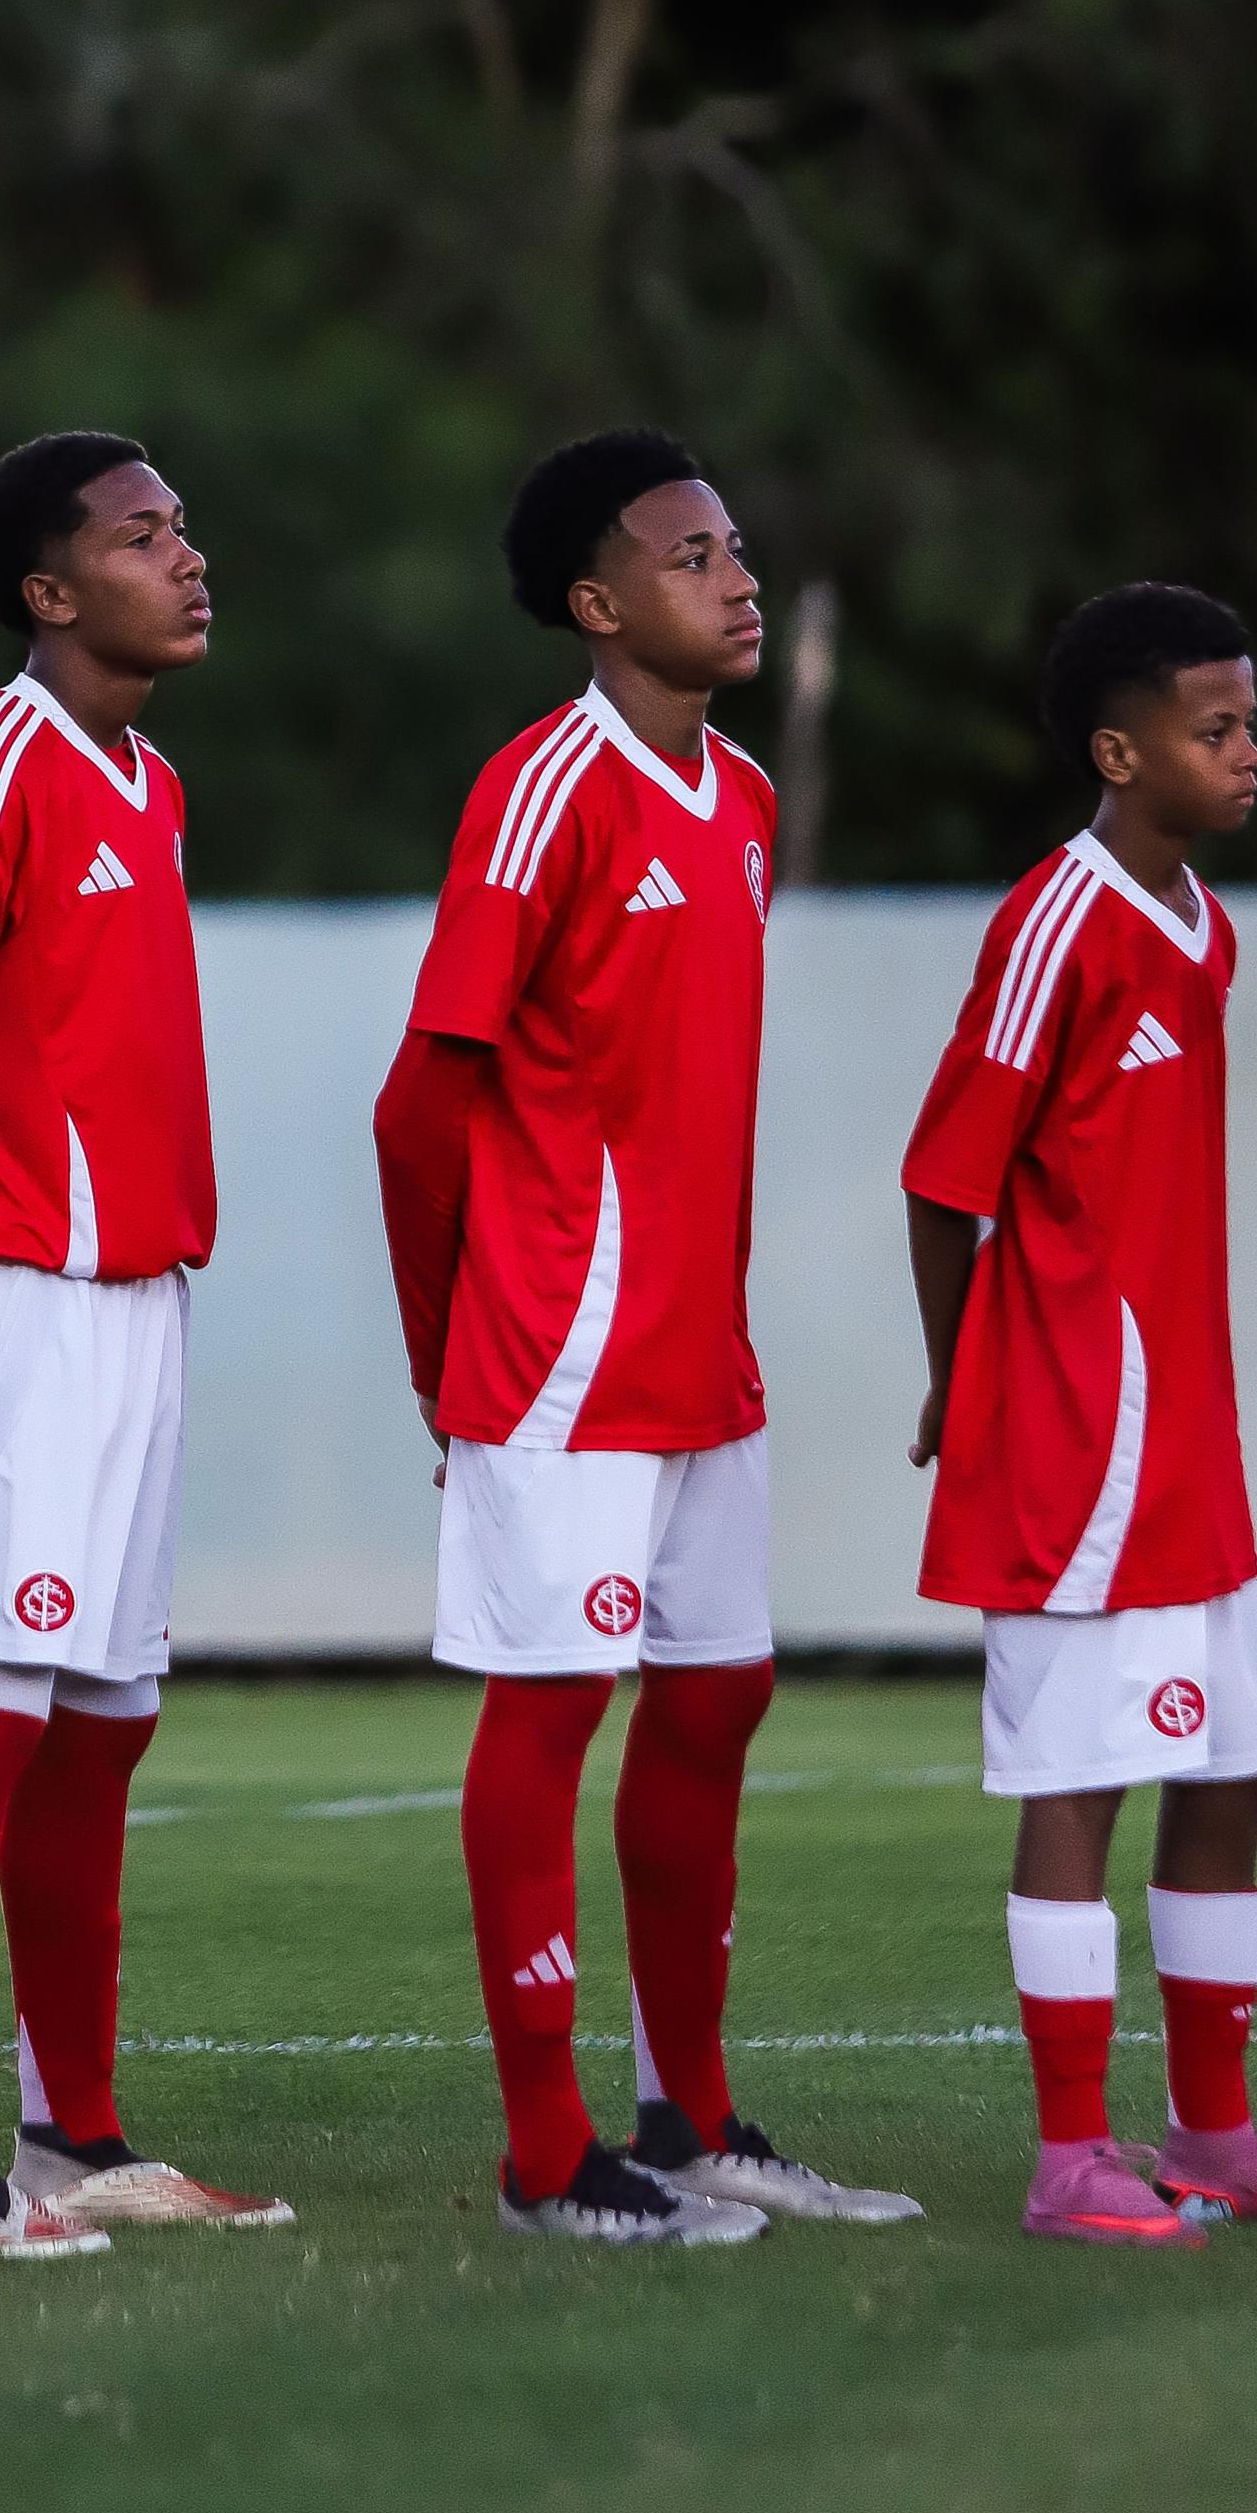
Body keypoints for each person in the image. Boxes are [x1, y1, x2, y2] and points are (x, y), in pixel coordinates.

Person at [375, 428, 921, 2248]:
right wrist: (448, 1354)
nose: (738, 577)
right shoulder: (544, 792)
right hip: (556, 1351)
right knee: (549, 1719)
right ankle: (549, 2161)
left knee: (714, 1703)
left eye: (739, 548)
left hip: (702, 1356)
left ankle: (689, 2119)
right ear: (600, 607)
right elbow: (417, 1105)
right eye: (693, 557)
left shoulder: (745, 800)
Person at [904, 581, 1257, 2244]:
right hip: (1071, 1437)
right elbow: (940, 1179)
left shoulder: (1201, 924)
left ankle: (1215, 2137)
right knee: (1079, 1787)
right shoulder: (1054, 921)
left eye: (1249, 721)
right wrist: (957, 1379)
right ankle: (1070, 2160)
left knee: (1228, 1775)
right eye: (1216, 730)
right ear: (1120, 752)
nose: (1250, 752)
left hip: (1187, 1434)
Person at [0, 430, 293, 2256]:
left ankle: (67, 2137)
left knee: (101, 1722)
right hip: (7, 1302)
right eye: (139, 535)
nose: (186, 558)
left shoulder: (144, 780)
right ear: (47, 592)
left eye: (184, 525)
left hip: (130, 1307)